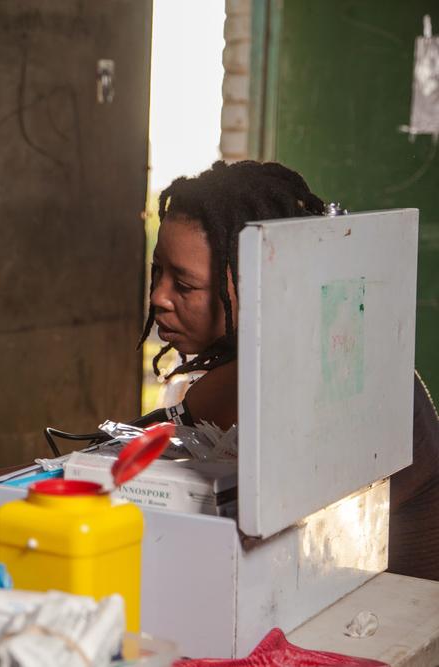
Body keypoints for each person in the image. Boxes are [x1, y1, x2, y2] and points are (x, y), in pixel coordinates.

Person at [137, 159, 439, 580]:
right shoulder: (324, 343)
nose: (159, 297)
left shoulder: (302, 378)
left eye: (184, 285)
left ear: (255, 278)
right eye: (157, 272)